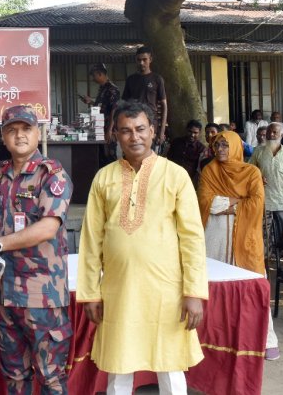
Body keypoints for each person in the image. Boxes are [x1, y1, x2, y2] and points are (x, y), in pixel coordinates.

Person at [77, 101, 207, 395]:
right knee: (119, 365)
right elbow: (90, 241)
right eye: (125, 131)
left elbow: (192, 238)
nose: (134, 137)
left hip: (167, 291)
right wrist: (90, 293)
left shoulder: (175, 175)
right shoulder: (104, 178)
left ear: (153, 131)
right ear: (116, 135)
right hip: (118, 291)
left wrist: (194, 292)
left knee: (170, 364)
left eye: (140, 129)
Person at [0, 105, 73, 393]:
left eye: (26, 129)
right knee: (14, 377)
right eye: (11, 130)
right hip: (5, 292)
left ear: (37, 133)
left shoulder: (53, 174)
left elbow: (48, 227)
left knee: (50, 378)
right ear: (3, 136)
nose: (19, 135)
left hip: (42, 295)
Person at [197, 130, 280, 360]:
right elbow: (206, 203)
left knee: (252, 286)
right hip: (214, 239)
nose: (221, 150)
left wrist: (225, 204)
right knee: (213, 289)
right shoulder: (209, 170)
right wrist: (239, 201)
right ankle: (213, 341)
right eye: (217, 146)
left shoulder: (252, 172)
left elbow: (257, 202)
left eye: (225, 145)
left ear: (236, 147)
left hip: (246, 240)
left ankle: (266, 340)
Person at [248, 122, 283, 262]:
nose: (271, 135)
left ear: (282, 135)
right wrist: (258, 177)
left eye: (275, 132)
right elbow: (249, 173)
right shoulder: (258, 151)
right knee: (265, 239)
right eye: (269, 132)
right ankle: (266, 269)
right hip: (265, 202)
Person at [121, 46, 167, 146]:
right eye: (139, 60)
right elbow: (124, 104)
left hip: (151, 123)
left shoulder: (157, 79)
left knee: (151, 157)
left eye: (144, 59)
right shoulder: (131, 79)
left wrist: (162, 131)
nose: (141, 63)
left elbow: (164, 105)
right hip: (133, 124)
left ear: (150, 59)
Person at [81, 63, 120, 161]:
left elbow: (114, 110)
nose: (93, 78)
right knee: (101, 157)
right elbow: (102, 106)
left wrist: (110, 130)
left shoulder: (113, 89)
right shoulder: (102, 88)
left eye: (93, 75)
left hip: (108, 128)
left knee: (110, 157)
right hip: (99, 128)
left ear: (100, 74)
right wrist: (91, 101)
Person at [167, 119, 206, 184]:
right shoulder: (176, 142)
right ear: (186, 130)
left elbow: (199, 170)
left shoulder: (201, 148)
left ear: (199, 133)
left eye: (195, 133)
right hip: (171, 177)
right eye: (190, 131)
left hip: (188, 181)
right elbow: (168, 159)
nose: (192, 135)